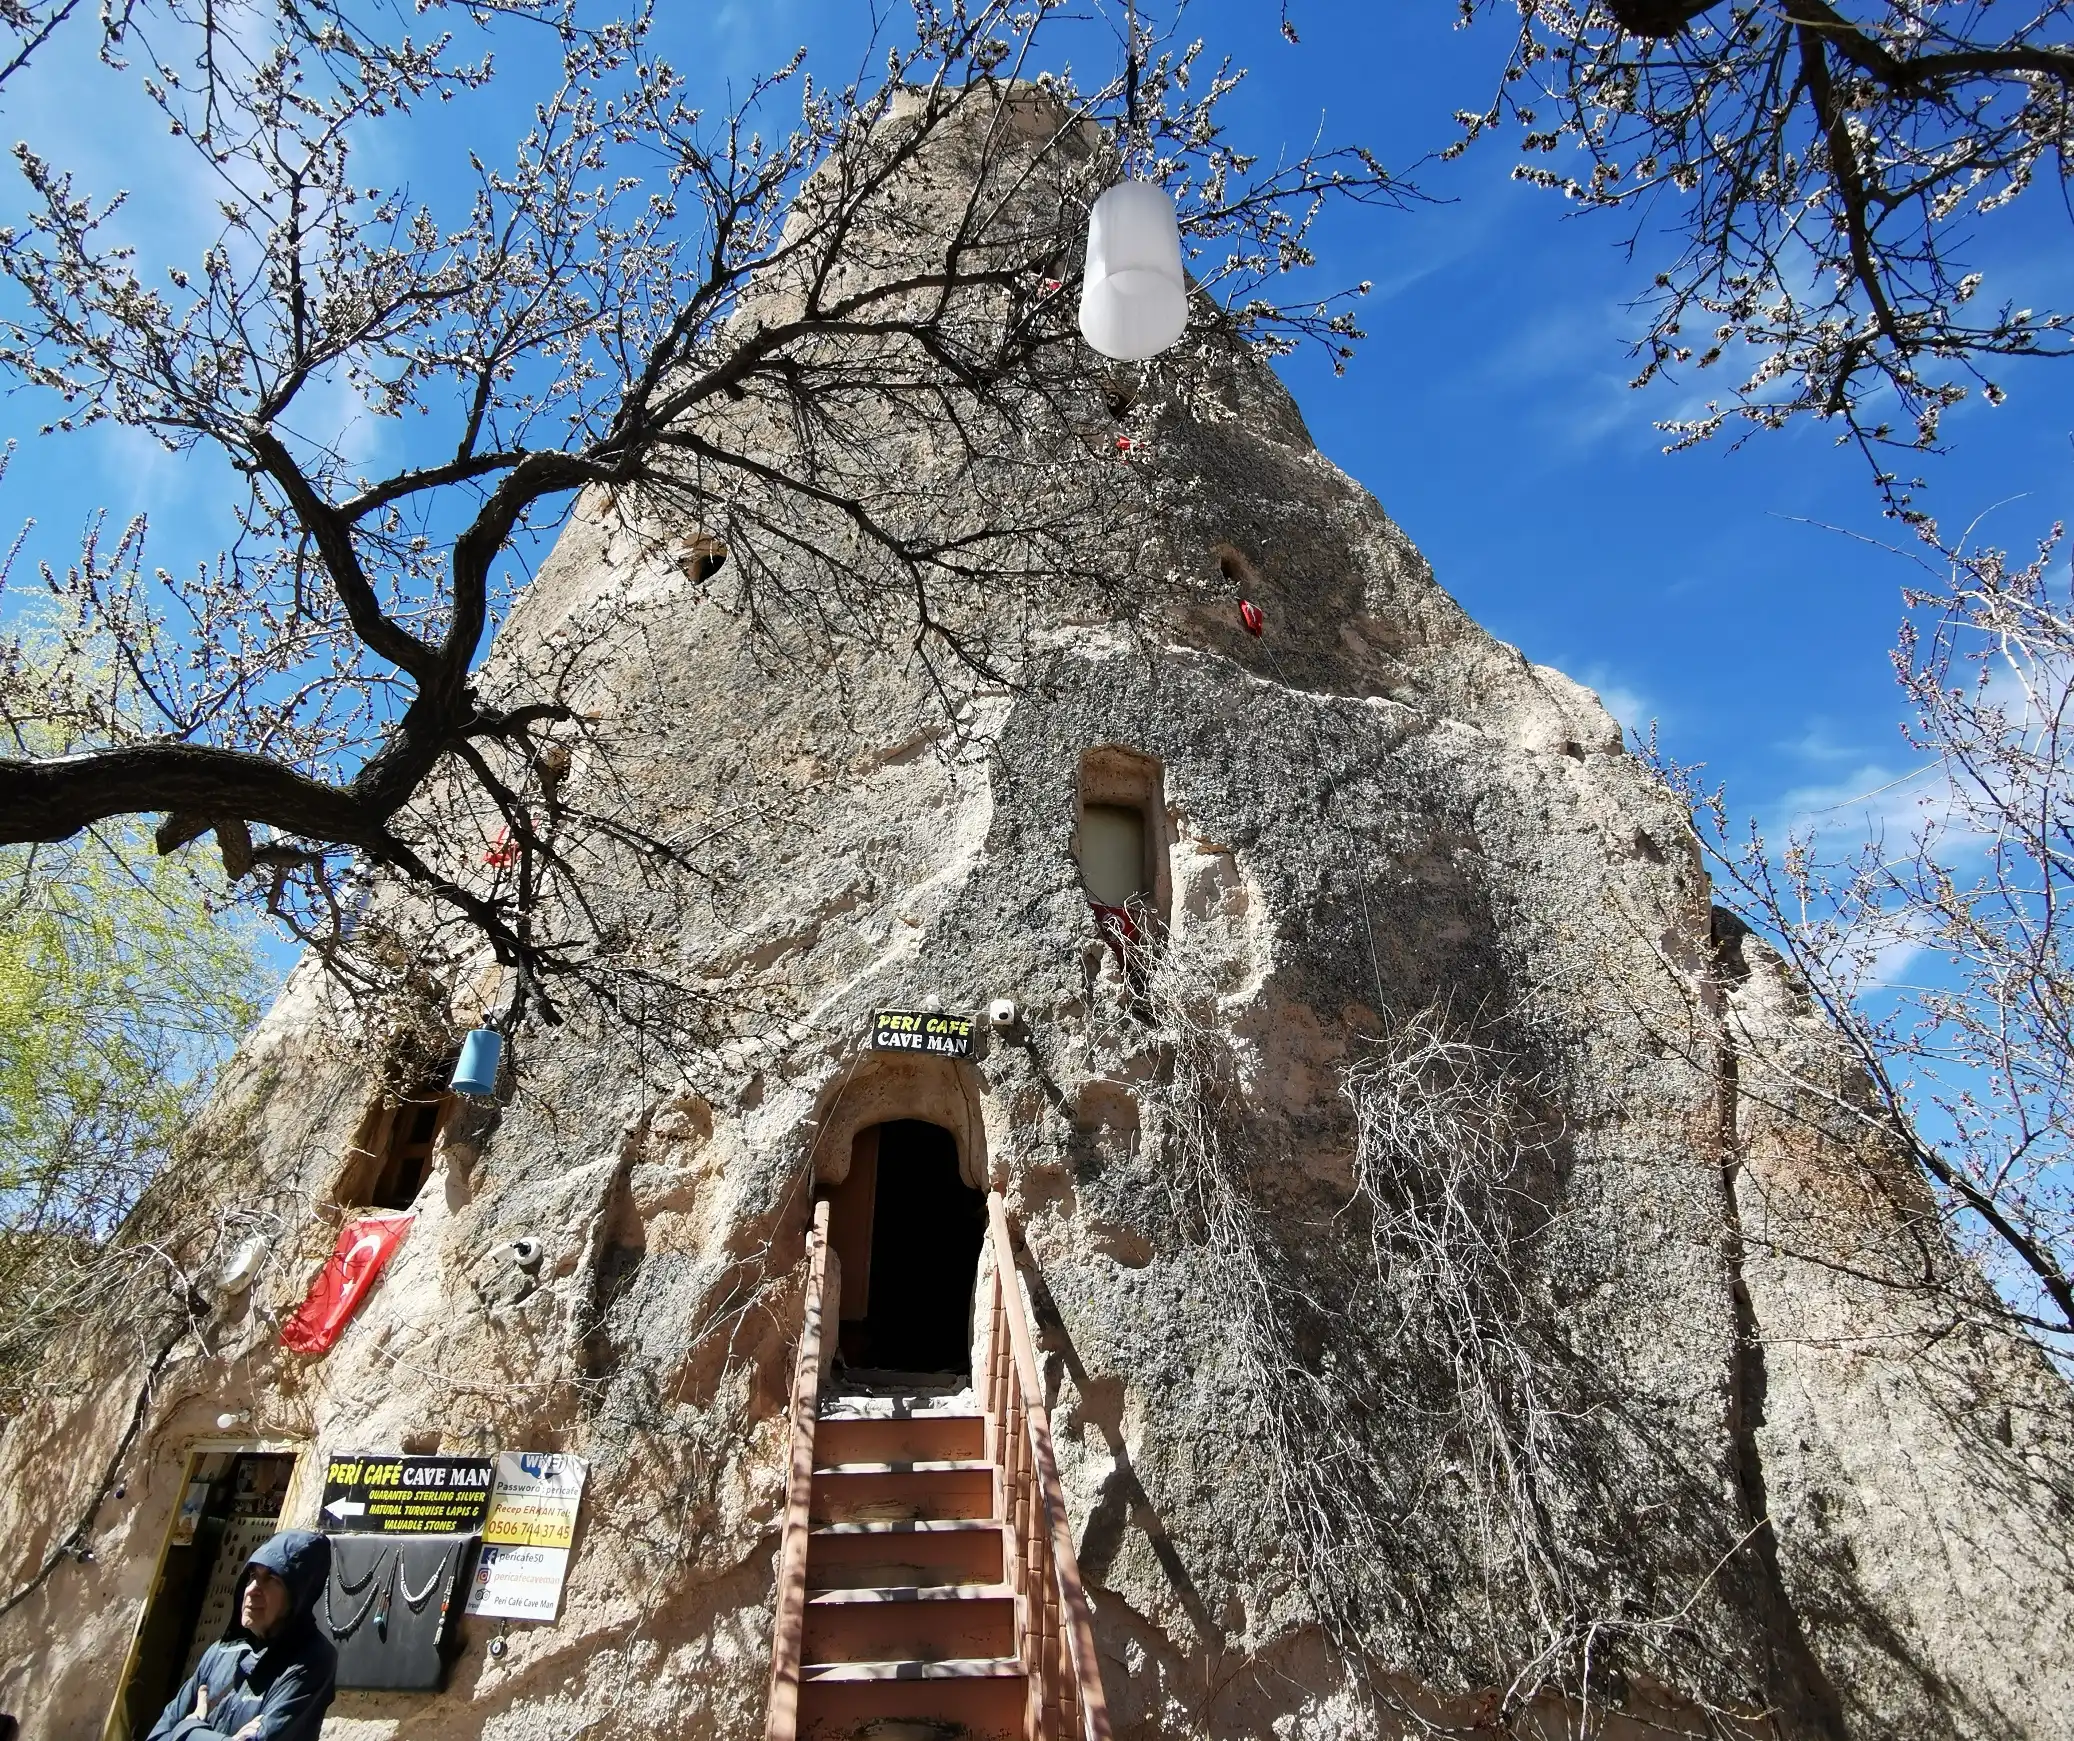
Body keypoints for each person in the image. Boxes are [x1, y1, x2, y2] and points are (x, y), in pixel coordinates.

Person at [145, 1530, 336, 1741]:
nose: (253, 1589)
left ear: (298, 1595)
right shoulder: (221, 1652)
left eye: (272, 1578)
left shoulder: (310, 1661)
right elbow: (158, 1736)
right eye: (253, 1576)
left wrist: (186, 1729)